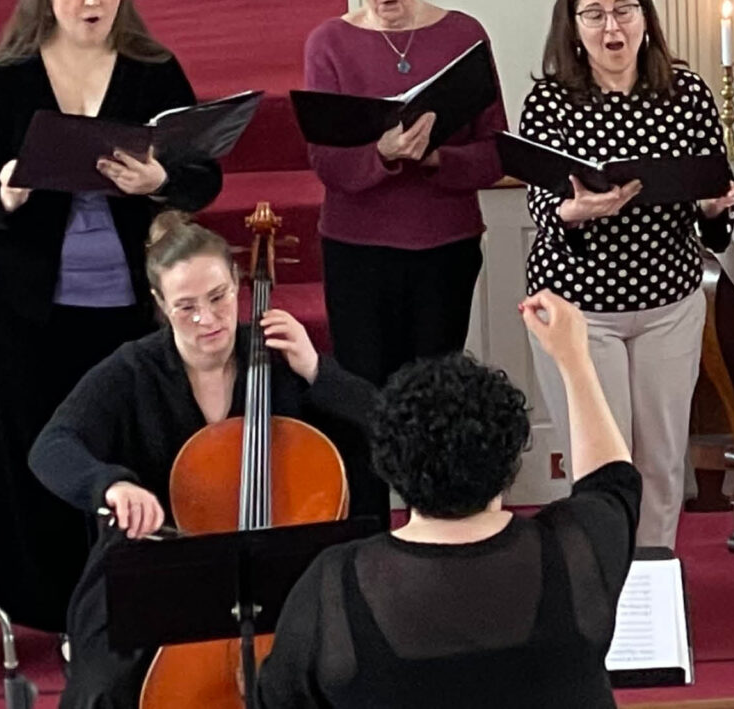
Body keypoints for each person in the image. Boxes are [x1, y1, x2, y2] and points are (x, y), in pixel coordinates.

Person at [0, 0, 224, 631]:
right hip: (29, 309)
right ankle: (47, 611)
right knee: (36, 452)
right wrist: (5, 195)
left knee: (124, 453)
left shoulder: (151, 69)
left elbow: (204, 175)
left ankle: (125, 605)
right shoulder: (9, 75)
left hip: (126, 302)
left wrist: (160, 181)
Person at [31, 214, 376, 708]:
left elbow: (387, 428)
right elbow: (52, 446)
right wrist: (110, 484)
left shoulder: (280, 361)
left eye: (218, 297)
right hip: (159, 567)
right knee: (105, 687)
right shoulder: (133, 370)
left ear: (237, 282)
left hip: (279, 574)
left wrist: (318, 371)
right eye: (186, 307)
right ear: (160, 304)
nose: (207, 319)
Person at [257, 292, 638, 707]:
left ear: (390, 466)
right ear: (510, 461)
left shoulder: (333, 585)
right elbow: (611, 479)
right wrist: (574, 360)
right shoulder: (578, 548)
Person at [518, 0, 734, 549]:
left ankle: (653, 581)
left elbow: (714, 200)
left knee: (662, 464)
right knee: (602, 469)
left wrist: (715, 207)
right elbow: (542, 204)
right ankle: (602, 587)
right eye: (594, 15)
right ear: (573, 27)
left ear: (646, 18)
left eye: (623, 10)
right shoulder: (550, 101)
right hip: (580, 310)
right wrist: (575, 211)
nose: (611, 27)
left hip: (667, 301)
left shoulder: (687, 93)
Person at [301, 0, 507, 515]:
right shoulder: (330, 42)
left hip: (445, 246)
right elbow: (325, 161)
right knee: (361, 397)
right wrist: (384, 154)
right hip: (357, 250)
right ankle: (368, 530)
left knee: (437, 399)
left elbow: (495, 152)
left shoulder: (463, 35)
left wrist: (437, 158)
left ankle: (438, 523)